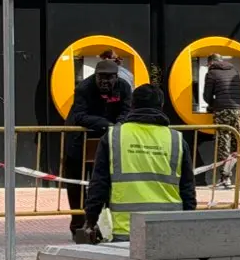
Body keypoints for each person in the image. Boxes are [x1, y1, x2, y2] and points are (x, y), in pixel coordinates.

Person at [80, 84, 196, 243]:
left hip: (127, 229)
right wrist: (189, 225)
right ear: (161, 106)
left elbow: (99, 184)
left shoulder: (114, 137)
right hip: (169, 228)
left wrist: (90, 220)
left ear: (132, 106)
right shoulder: (176, 139)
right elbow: (188, 188)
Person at [64, 59, 132, 236]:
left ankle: (102, 224)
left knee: (103, 184)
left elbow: (127, 111)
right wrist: (107, 125)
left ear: (116, 77)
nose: (104, 82)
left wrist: (118, 126)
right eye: (101, 77)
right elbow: (79, 116)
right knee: (76, 185)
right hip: (78, 141)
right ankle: (78, 225)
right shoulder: (84, 88)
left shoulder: (124, 87)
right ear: (95, 76)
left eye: (109, 78)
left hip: (106, 141)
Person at [203, 53, 240, 188]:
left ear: (210, 63)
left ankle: (225, 179)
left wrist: (211, 105)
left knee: (223, 144)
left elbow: (206, 95)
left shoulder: (212, 73)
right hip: (238, 110)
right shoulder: (234, 70)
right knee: (238, 144)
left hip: (222, 111)